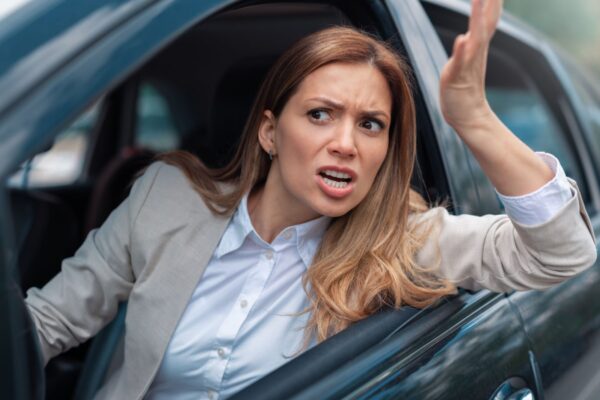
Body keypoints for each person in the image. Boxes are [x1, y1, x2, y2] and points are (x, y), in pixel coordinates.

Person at [24, 0, 596, 399]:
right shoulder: (166, 198)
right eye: (320, 114)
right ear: (270, 132)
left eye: (371, 125)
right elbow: (49, 322)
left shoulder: (401, 240)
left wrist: (473, 117)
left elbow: (562, 254)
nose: (345, 143)